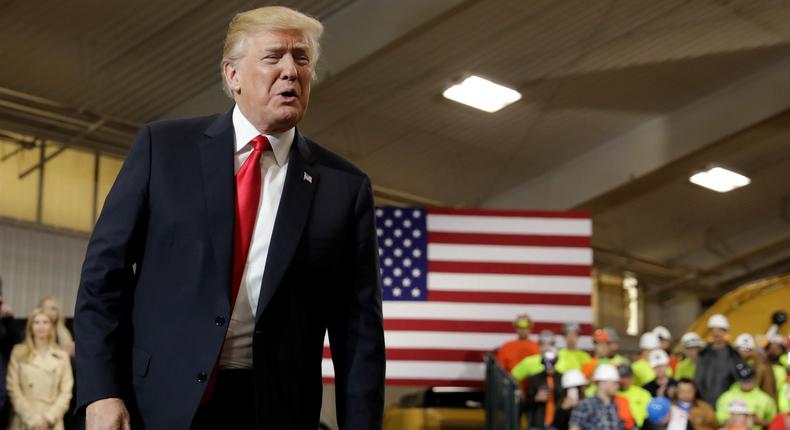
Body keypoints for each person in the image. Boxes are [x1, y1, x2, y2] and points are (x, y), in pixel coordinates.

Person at [73, 6, 386, 430]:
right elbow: (102, 277)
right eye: (273, 57)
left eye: (302, 58)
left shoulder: (344, 187)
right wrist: (100, 391)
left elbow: (359, 332)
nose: (291, 71)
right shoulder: (162, 149)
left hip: (275, 411)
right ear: (233, 76)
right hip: (158, 403)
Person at [6, 308, 73, 430]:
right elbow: (13, 389)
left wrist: (48, 418)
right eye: (36, 322)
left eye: (45, 322)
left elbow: (66, 392)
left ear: (51, 326)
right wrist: (33, 420)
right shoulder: (18, 352)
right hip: (24, 419)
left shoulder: (61, 356)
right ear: (30, 326)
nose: (40, 326)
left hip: (52, 422)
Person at [696, 314, 743, 406]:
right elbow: (699, 379)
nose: (716, 333)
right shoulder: (703, 355)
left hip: (729, 404)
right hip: (706, 403)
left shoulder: (733, 355)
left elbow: (737, 380)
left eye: (720, 330)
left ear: (726, 332)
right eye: (713, 330)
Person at [716, 364, 777, 430]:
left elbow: (774, 422)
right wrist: (736, 421)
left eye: (749, 380)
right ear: (738, 379)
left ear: (754, 379)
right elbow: (720, 419)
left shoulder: (765, 399)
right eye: (743, 380)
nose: (746, 383)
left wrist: (760, 421)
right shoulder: (726, 397)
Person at [569, 364, 624, 430]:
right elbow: (574, 427)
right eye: (614, 383)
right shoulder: (586, 405)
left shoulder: (614, 405)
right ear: (603, 383)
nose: (617, 387)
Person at [524, 349, 565, 429]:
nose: (549, 365)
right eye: (547, 361)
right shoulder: (533, 379)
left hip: (558, 423)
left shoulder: (563, 378)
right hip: (538, 423)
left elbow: (564, 401)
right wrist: (535, 398)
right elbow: (524, 405)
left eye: (552, 361)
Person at [735, 333, 777, 401]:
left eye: (748, 349)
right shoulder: (731, 364)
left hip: (757, 405)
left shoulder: (763, 367)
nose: (744, 352)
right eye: (741, 348)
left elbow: (769, 391)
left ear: (753, 351)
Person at [616, 363, 652, 428]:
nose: (622, 380)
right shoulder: (611, 393)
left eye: (626, 377)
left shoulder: (643, 393)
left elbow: (650, 415)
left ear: (632, 378)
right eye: (620, 377)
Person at [765, 335, 787, 407]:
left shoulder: (784, 369)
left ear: (783, 351)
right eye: (772, 347)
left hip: (782, 405)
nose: (774, 351)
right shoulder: (762, 367)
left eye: (778, 348)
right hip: (766, 403)